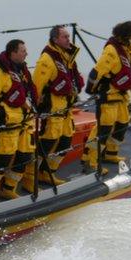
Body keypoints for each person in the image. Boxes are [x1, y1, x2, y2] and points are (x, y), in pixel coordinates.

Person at [0, 39, 38, 203]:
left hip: (25, 121)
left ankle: (9, 189)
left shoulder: (21, 69)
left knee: (25, 155)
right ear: (13, 52)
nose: (26, 53)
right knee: (2, 159)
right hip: (10, 123)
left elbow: (29, 90)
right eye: (23, 50)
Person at [83, 21, 131, 170]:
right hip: (108, 96)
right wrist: (90, 90)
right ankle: (91, 161)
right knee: (104, 129)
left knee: (122, 124)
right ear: (128, 35)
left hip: (121, 96)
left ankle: (110, 153)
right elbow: (96, 73)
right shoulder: (111, 50)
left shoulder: (129, 49)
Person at [32, 25, 83, 185]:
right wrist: (37, 108)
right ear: (55, 39)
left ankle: (48, 172)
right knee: (46, 143)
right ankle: (31, 176)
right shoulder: (47, 59)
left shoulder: (66, 57)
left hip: (66, 108)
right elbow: (37, 86)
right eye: (65, 37)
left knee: (65, 142)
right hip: (52, 109)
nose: (69, 39)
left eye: (68, 36)